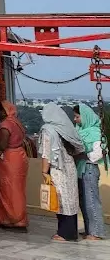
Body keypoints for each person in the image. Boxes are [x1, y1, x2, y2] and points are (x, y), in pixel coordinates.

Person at [39, 104, 85, 242]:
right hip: (70, 167)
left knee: (60, 201)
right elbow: (78, 148)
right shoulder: (65, 128)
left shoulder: (48, 130)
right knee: (70, 200)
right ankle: (71, 232)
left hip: (57, 169)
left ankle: (64, 233)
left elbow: (46, 153)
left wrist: (44, 171)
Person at [0, 101, 29, 231]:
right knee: (17, 190)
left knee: (8, 191)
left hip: (8, 160)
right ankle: (19, 219)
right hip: (19, 157)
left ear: (5, 111)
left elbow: (2, 145)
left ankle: (11, 219)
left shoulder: (5, 125)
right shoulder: (17, 123)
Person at [73, 103, 106, 240]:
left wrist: (81, 154)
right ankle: (89, 229)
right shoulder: (80, 130)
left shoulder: (94, 131)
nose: (75, 119)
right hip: (81, 169)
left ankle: (96, 232)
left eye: (77, 116)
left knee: (91, 200)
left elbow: (98, 154)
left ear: (85, 116)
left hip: (89, 168)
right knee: (83, 201)